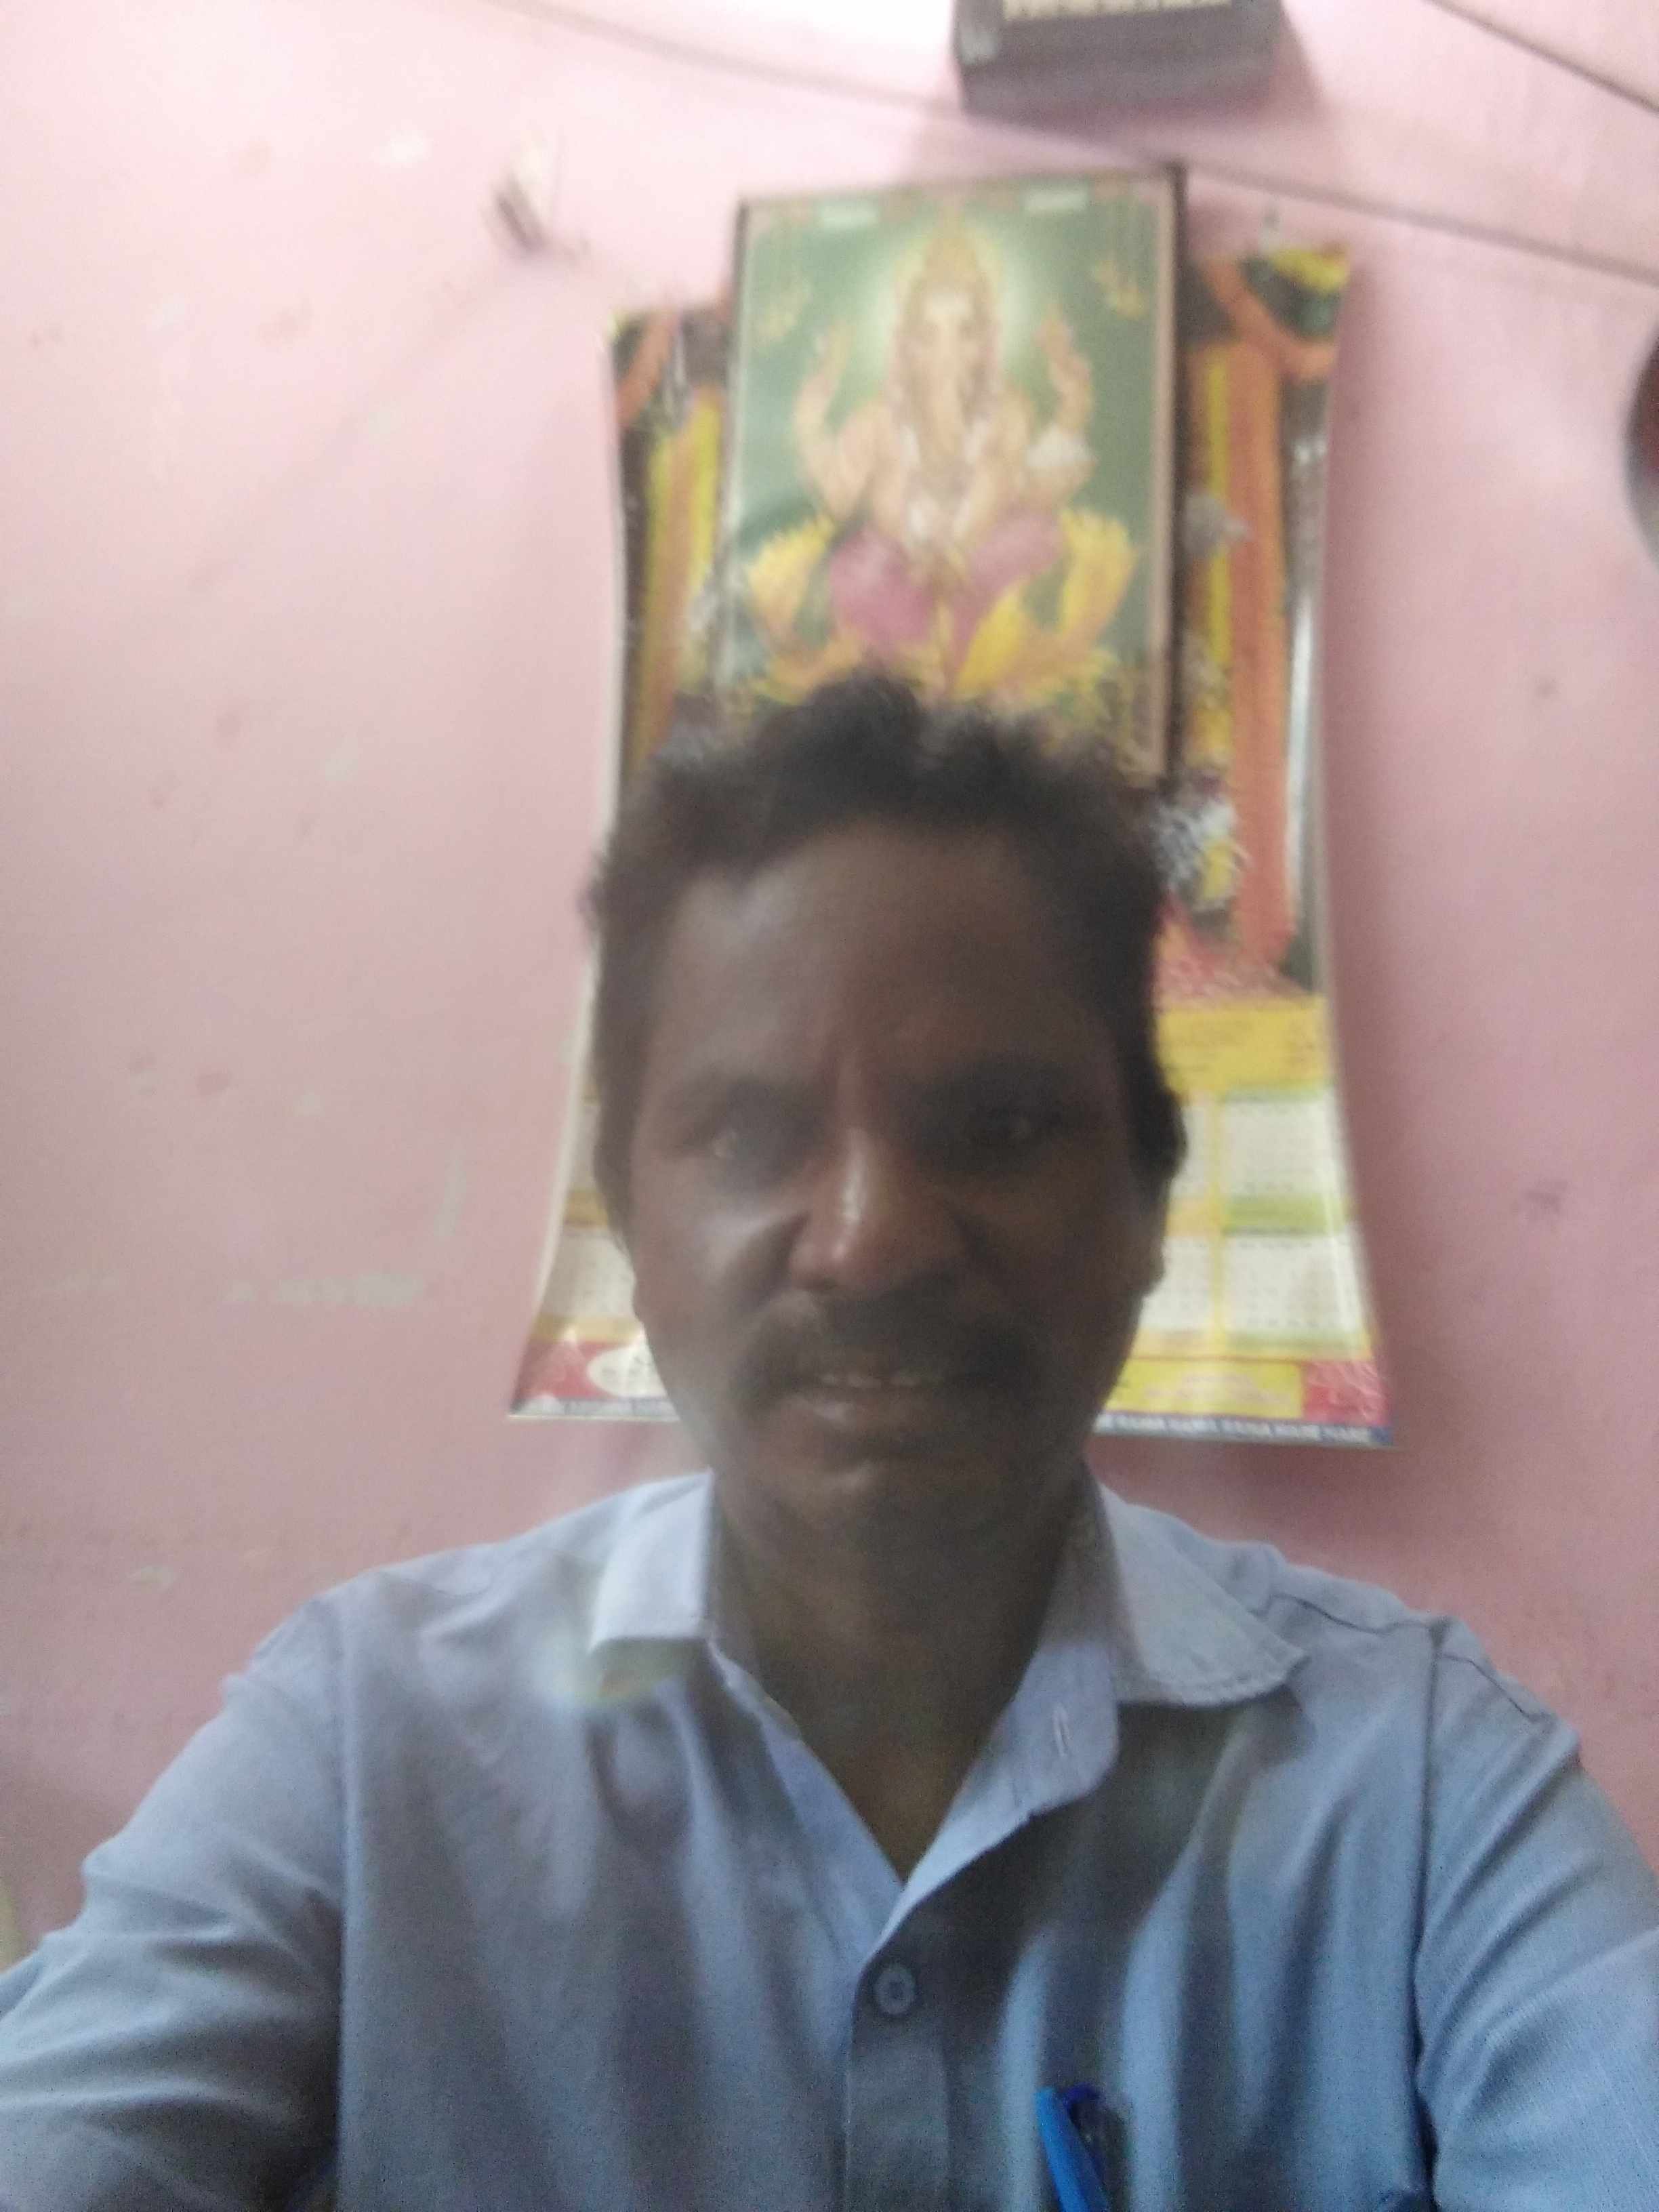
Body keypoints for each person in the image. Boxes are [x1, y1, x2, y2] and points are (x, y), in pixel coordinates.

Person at [1, 675, 1656, 2209]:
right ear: (628, 1222)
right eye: (747, 1131)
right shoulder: (365, 1749)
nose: (871, 1241)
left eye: (996, 1127)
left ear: (1150, 1204)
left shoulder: (1419, 1787)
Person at [790, 225, 1102, 680]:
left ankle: (969, 652)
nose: (947, 352)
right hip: (894, 567)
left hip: (983, 561)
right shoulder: (878, 417)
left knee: (1034, 537)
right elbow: (839, 498)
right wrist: (809, 421)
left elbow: (1033, 494)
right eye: (928, 335)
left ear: (987, 341)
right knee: (854, 575)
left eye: (965, 333)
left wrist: (1074, 406)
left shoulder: (1008, 410)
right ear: (904, 344)